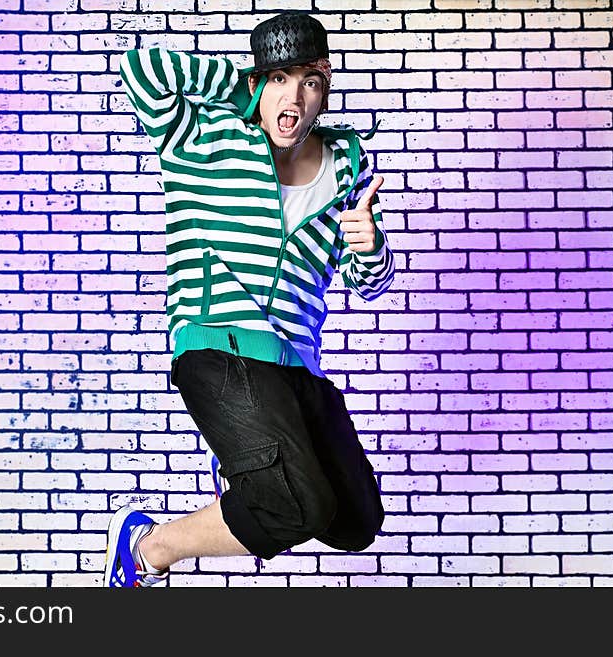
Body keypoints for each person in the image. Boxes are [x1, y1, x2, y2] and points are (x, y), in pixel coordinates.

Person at [104, 11, 395, 587]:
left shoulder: (348, 165)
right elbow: (141, 69)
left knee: (357, 520)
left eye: (311, 80)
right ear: (259, 81)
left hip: (295, 364)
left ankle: (255, 464)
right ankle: (146, 547)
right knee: (291, 508)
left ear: (326, 87)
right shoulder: (199, 134)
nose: (296, 96)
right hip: (219, 344)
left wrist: (371, 242)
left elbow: (369, 281)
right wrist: (245, 89)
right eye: (280, 78)